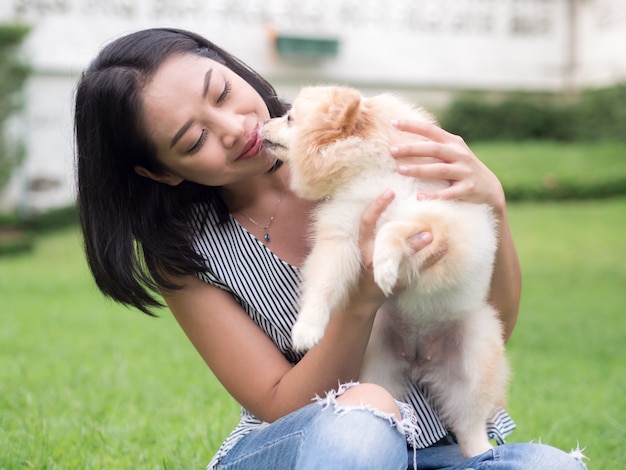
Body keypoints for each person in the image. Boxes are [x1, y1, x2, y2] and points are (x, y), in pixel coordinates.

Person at [74, 28, 586, 469]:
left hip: (434, 449)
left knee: (549, 464)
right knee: (362, 421)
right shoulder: (187, 254)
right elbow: (281, 403)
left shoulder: (364, 140)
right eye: (193, 141)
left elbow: (486, 317)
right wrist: (360, 301)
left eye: (223, 92)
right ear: (161, 171)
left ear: (234, 68)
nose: (235, 129)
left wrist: (493, 204)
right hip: (306, 445)